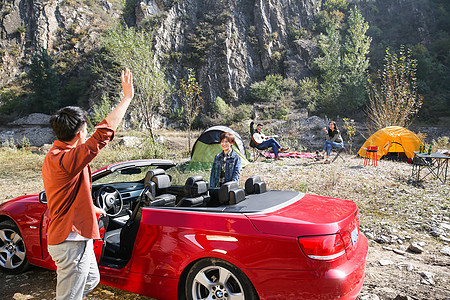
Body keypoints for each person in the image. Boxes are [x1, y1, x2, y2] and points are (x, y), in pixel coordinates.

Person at [42, 69, 134, 300]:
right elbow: (102, 135)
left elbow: (67, 191)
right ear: (80, 133)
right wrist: (127, 98)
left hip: (73, 239)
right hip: (71, 242)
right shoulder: (66, 159)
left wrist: (90, 207)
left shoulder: (56, 155)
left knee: (91, 280)